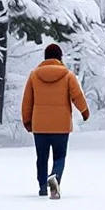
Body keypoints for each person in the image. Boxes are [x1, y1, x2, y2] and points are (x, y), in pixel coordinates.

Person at [19, 43, 89, 199]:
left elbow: (27, 101)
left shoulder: (34, 75)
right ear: (60, 58)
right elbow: (77, 96)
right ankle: (55, 177)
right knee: (60, 157)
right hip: (61, 126)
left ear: (45, 58)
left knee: (41, 157)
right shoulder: (68, 75)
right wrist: (84, 111)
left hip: (40, 126)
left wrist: (27, 121)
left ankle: (43, 186)